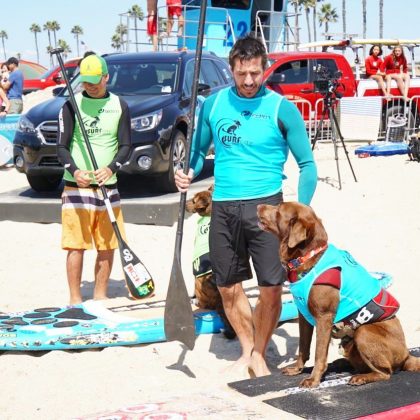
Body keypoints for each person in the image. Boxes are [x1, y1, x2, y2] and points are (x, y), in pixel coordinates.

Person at [175, 35, 317, 377]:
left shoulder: (282, 109)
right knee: (226, 286)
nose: (249, 80)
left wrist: (301, 211)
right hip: (223, 207)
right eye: (242, 74)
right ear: (232, 69)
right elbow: (197, 149)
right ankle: (248, 348)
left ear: (265, 69)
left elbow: (307, 165)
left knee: (271, 287)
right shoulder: (213, 105)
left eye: (255, 73)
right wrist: (187, 171)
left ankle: (259, 352)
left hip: (267, 208)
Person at [57, 54, 131, 305]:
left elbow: (126, 145)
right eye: (85, 81)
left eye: (95, 81)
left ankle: (100, 296)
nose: (89, 85)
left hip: (107, 186)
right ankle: (75, 298)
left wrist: (111, 168)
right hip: (77, 186)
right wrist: (75, 170)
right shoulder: (70, 105)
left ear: (106, 77)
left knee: (107, 244)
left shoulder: (120, 105)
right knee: (75, 245)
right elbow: (61, 147)